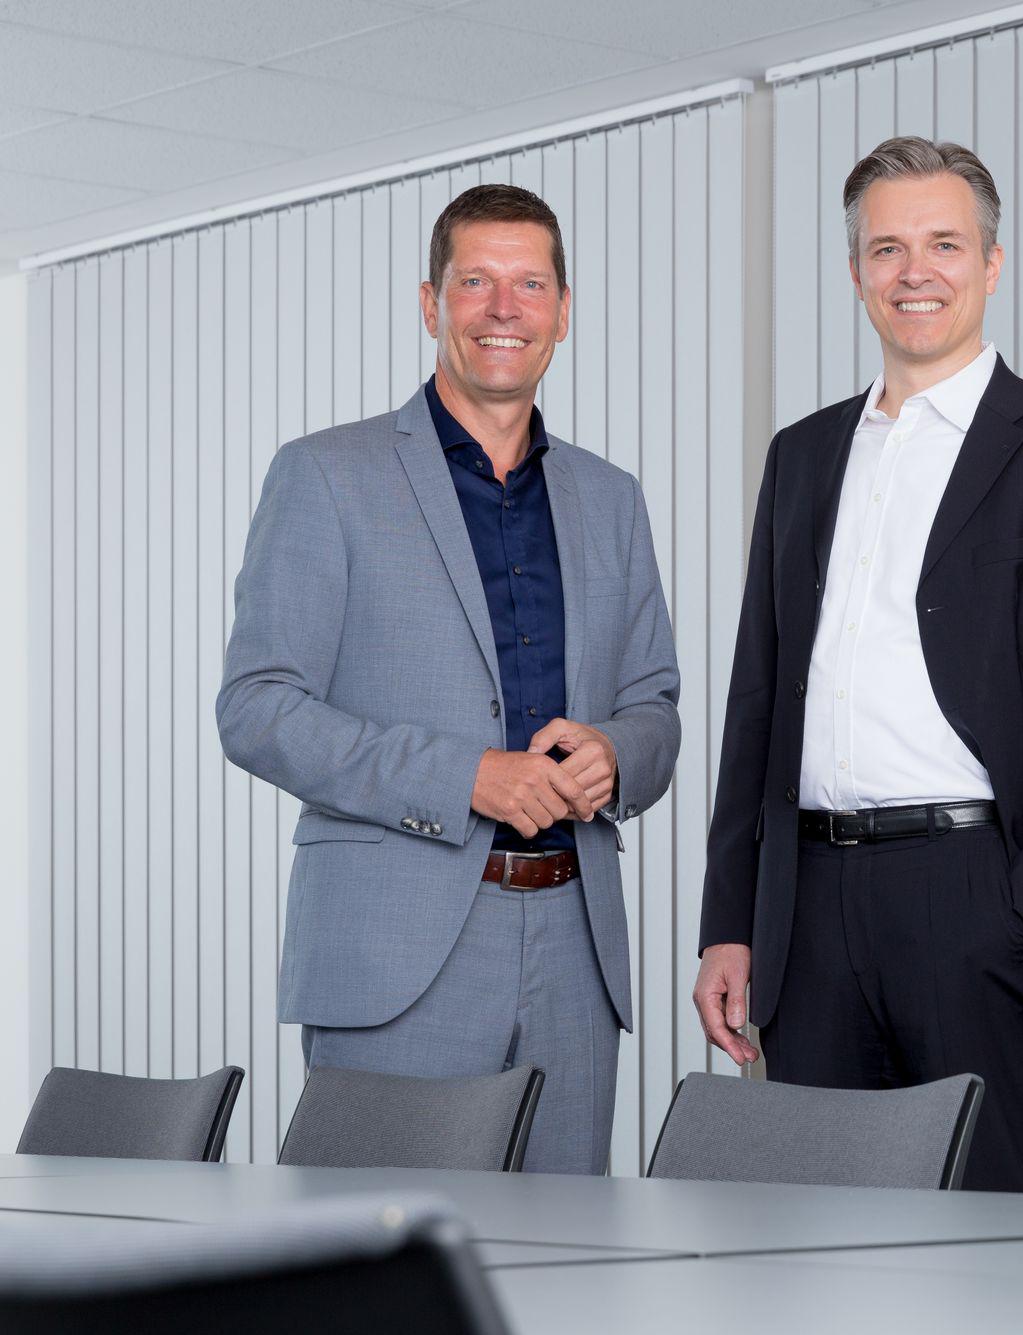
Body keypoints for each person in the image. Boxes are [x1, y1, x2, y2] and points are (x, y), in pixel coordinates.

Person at [695, 137, 1023, 1192]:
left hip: (975, 898)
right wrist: (732, 923)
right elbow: (757, 705)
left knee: (993, 1255)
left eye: (944, 244)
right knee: (817, 1244)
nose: (916, 271)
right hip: (806, 911)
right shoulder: (801, 455)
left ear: (991, 263)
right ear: (856, 270)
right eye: (887, 248)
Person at [218, 184, 681, 1173]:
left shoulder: (610, 500)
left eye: (527, 285)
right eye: (476, 282)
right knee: (380, 1276)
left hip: (575, 950)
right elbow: (256, 707)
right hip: (400, 956)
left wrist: (616, 752)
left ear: (563, 309)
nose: (502, 309)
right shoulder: (326, 476)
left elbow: (655, 706)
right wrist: (463, 777)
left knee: (562, 1276)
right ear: (431, 304)